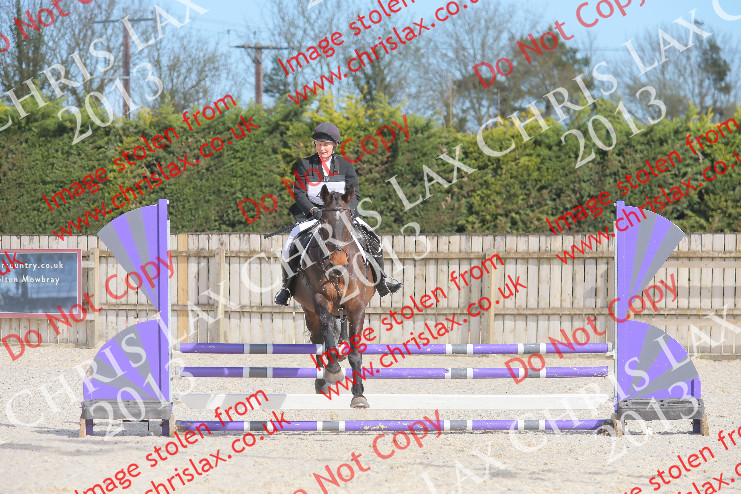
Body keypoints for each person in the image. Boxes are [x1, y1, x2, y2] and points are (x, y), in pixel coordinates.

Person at [274, 122, 402, 306]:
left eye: (325, 145)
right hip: (314, 216)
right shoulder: (304, 165)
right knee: (289, 244)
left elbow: (355, 194)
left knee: (373, 238)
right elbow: (300, 194)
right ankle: (286, 288)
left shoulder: (345, 165)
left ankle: (382, 281)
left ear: (334, 145)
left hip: (342, 217)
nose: (322, 148)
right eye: (318, 144)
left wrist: (348, 212)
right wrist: (313, 210)